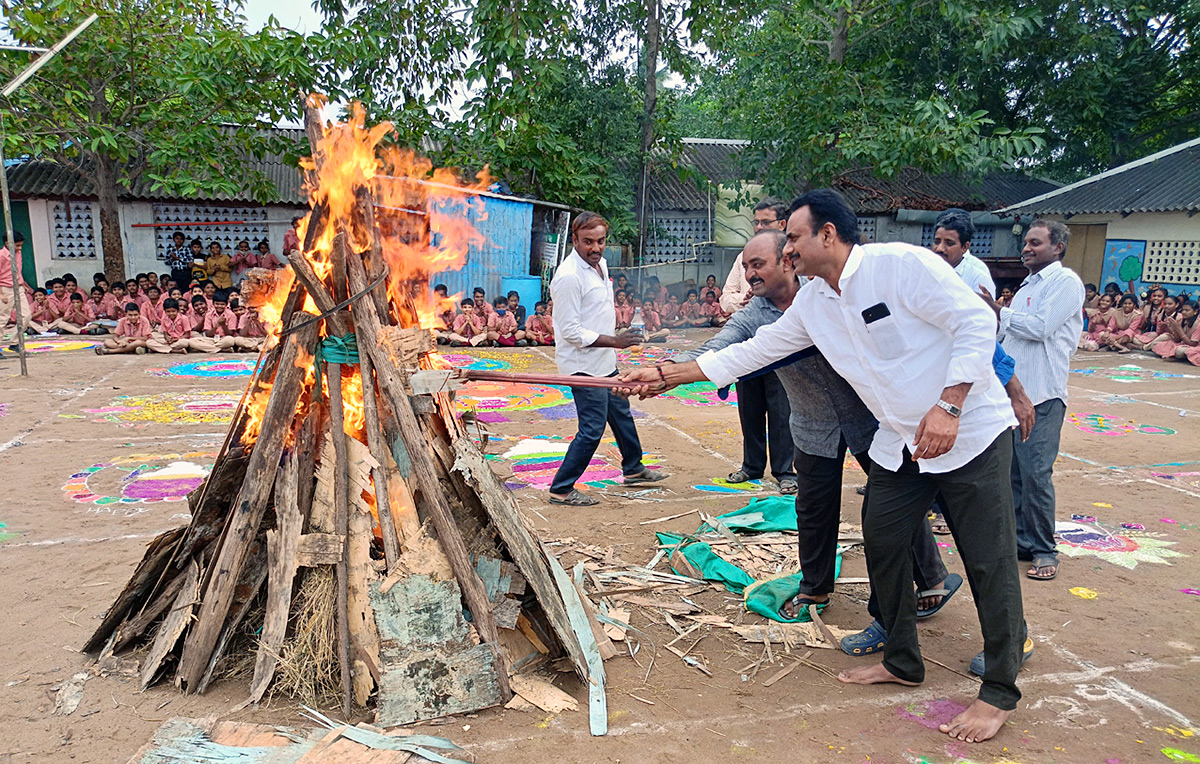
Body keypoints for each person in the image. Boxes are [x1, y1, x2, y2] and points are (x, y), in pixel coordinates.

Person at [624, 190, 1028, 744]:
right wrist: (669, 374)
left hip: (970, 429)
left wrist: (950, 404)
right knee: (884, 539)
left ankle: (999, 691)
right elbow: (753, 351)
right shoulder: (814, 303)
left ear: (828, 235)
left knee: (988, 558)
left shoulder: (901, 267)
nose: (786, 247)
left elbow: (977, 326)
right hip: (903, 442)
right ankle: (903, 660)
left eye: (791, 237)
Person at [629, 228, 957, 635]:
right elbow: (719, 348)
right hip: (811, 423)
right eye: (746, 267)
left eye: (757, 264)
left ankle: (931, 577)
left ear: (787, 261)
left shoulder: (826, 296)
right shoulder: (756, 315)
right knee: (813, 508)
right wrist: (666, 373)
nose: (750, 275)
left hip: (868, 418)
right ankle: (816, 588)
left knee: (895, 499)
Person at [982, 219, 1084, 582]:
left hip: (1043, 395)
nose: (1026, 248)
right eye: (1025, 242)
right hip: (1015, 396)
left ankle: (1044, 549)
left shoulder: (1065, 283)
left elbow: (1041, 328)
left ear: (1057, 247)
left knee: (1036, 474)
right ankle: (1021, 541)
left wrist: (1001, 312)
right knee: (1012, 474)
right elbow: (1009, 333)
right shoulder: (1027, 285)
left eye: (1035, 243)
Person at [548, 212, 667, 506]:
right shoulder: (568, 278)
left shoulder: (600, 264)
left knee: (620, 411)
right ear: (574, 240)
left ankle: (634, 468)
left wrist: (616, 338)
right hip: (582, 366)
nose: (596, 248)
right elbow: (571, 332)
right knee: (591, 429)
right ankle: (561, 488)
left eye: (601, 241)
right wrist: (617, 341)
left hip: (604, 360)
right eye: (588, 242)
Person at [720, 198, 787, 314]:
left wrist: (759, 299)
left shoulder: (793, 255)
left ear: (782, 224)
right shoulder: (743, 256)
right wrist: (747, 300)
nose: (759, 227)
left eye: (766, 222)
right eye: (756, 223)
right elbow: (725, 299)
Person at [930, 210, 995, 296]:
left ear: (964, 247)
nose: (940, 248)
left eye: (949, 243)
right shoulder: (924, 270)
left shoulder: (977, 277)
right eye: (937, 242)